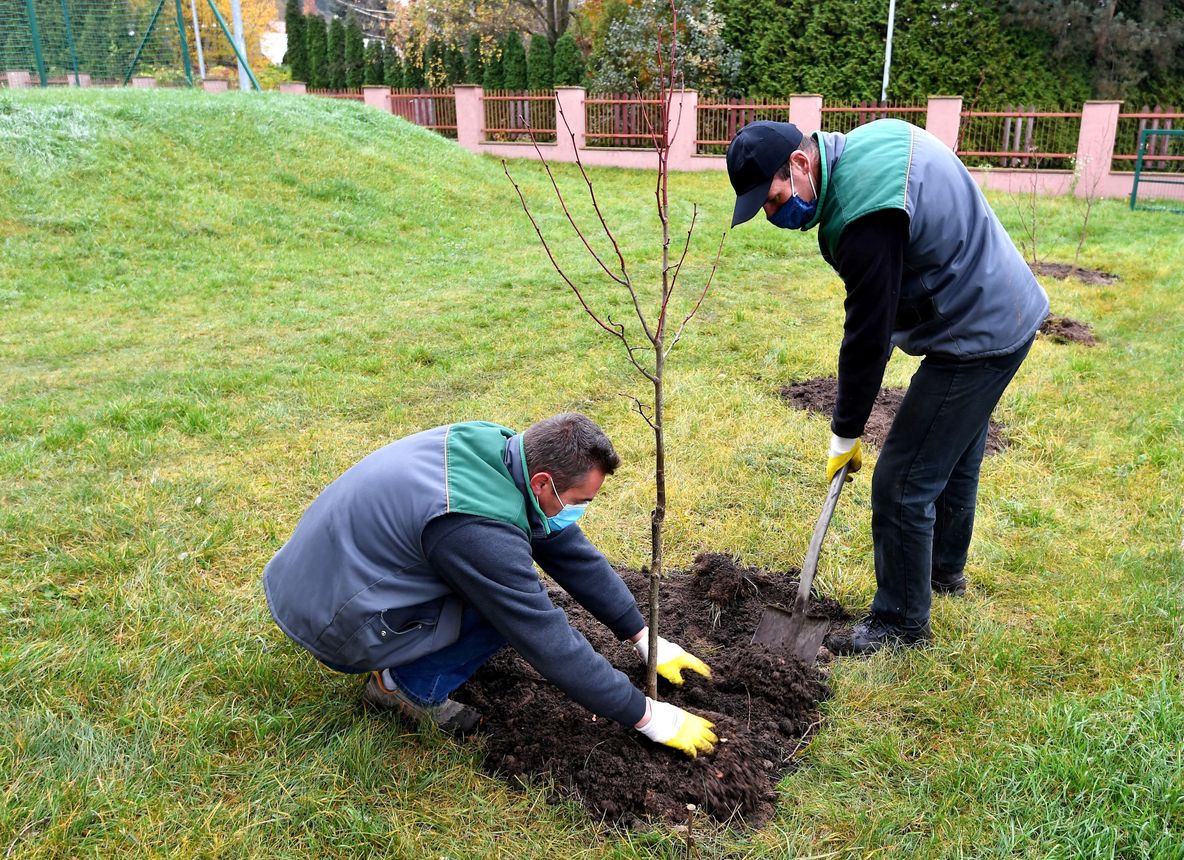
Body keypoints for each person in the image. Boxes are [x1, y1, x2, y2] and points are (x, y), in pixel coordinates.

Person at [726, 119, 1049, 655]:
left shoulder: (863, 216)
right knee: (953, 454)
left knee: (901, 481)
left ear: (801, 165)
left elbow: (867, 336)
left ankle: (900, 625)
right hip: (1000, 304)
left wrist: (844, 434)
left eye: (776, 198)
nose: (773, 213)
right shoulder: (864, 147)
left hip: (978, 329)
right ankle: (943, 572)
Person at [263, 413, 717, 755]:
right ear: (543, 483)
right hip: (334, 616)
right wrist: (647, 716)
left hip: (321, 573)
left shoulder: (497, 450)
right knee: (504, 609)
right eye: (579, 501)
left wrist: (642, 635)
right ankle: (402, 690)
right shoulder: (476, 531)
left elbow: (567, 550)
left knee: (502, 583)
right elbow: (545, 639)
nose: (580, 512)